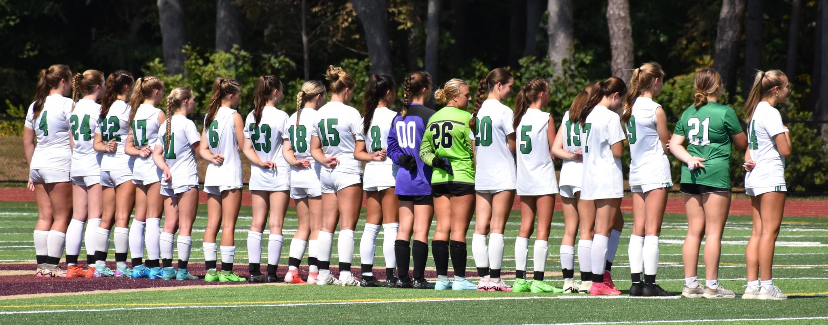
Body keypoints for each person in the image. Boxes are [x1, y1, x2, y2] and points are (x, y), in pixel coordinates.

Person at [670, 68, 747, 299]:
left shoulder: (687, 113)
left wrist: (690, 158)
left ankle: (691, 284)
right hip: (715, 175)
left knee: (694, 232)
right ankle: (712, 286)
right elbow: (742, 143)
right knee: (713, 233)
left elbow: (674, 145)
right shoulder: (725, 112)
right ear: (717, 87)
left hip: (690, 175)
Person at [420, 78, 477, 291]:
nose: (469, 98)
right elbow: (474, 152)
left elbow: (424, 151)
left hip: (439, 178)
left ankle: (442, 279)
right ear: (455, 97)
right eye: (466, 95)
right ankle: (460, 279)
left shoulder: (434, 118)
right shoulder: (468, 118)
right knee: (459, 230)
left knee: (442, 228)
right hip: (463, 176)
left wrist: (435, 161)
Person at [310, 66, 364, 286]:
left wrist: (324, 160)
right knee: (348, 225)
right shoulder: (351, 113)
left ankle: (323, 273)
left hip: (327, 172)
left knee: (326, 226)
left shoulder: (319, 113)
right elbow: (360, 147)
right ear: (347, 90)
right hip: (348, 170)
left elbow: (315, 149)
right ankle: (345, 274)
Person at [622, 63, 672, 296]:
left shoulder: (628, 107)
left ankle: (635, 283)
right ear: (655, 81)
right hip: (654, 169)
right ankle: (650, 283)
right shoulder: (655, 109)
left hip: (637, 170)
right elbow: (666, 144)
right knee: (653, 230)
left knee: (638, 228)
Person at [742, 70, 791, 300]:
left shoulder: (755, 111)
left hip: (755, 176)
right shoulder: (771, 113)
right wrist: (786, 132)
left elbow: (748, 150)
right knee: (769, 233)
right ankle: (767, 286)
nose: (789, 91)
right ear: (776, 89)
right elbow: (786, 149)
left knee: (757, 232)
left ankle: (752, 286)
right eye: (787, 87)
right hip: (770, 175)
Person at [575, 77, 627, 296]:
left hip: (590, 176)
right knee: (603, 230)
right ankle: (598, 281)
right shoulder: (609, 117)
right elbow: (617, 152)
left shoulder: (588, 114)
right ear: (615, 95)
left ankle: (602, 275)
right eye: (621, 100)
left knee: (615, 224)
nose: (622, 104)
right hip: (607, 176)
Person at [511, 78, 563, 293]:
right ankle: (538, 280)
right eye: (548, 91)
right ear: (542, 93)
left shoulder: (519, 118)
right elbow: (554, 150)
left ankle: (519, 279)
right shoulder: (545, 118)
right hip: (542, 177)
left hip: (524, 177)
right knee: (543, 229)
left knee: (525, 228)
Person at [387, 71, 436, 289]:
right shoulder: (428, 115)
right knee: (421, 230)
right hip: (423, 178)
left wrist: (401, 158)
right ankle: (418, 278)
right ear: (425, 89)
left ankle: (402, 278)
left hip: (404, 179)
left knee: (403, 229)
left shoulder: (400, 115)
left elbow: (391, 146)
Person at [25, 64, 74, 278]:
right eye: (70, 81)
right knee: (62, 216)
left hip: (38, 163)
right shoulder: (67, 104)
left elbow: (28, 141)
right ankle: (52, 266)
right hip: (59, 163)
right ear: (63, 81)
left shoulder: (36, 104)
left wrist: (31, 169)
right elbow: (73, 140)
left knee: (45, 216)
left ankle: (42, 266)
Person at [470, 68, 516, 292]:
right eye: (509, 87)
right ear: (499, 86)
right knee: (497, 228)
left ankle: (483, 278)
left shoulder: (477, 112)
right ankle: (496, 279)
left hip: (483, 175)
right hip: (502, 173)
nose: (510, 91)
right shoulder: (504, 111)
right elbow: (513, 146)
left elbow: (475, 150)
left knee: (480, 228)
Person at [243, 75, 291, 283]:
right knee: (276, 224)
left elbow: (246, 148)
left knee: (257, 223)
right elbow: (288, 147)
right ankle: (271, 273)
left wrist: (260, 162)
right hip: (279, 172)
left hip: (259, 173)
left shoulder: (251, 115)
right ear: (274, 92)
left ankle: (254, 272)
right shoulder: (282, 116)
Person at [354, 74, 399, 287]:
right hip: (390, 171)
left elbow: (358, 152)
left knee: (371, 225)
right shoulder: (395, 116)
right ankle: (390, 275)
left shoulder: (365, 117)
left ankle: (366, 274)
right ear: (388, 93)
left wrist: (372, 156)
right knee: (391, 226)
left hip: (371, 171)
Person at [152, 87, 200, 281]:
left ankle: (167, 269)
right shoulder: (187, 124)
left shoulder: (166, 125)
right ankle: (182, 270)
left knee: (169, 224)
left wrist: (165, 168)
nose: (195, 102)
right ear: (186, 102)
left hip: (169, 178)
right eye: (193, 99)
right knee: (186, 225)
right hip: (186, 177)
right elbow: (200, 149)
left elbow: (157, 154)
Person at [200, 77, 246, 282]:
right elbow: (244, 145)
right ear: (231, 95)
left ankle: (210, 271)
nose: (239, 99)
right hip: (229, 172)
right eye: (238, 95)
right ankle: (227, 271)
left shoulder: (210, 115)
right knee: (228, 225)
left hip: (213, 172)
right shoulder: (235, 116)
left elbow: (203, 149)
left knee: (212, 224)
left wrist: (212, 156)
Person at [92, 70, 136, 277]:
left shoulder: (105, 110)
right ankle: (121, 266)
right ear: (126, 87)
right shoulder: (128, 110)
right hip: (123, 167)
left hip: (106, 168)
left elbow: (97, 144)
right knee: (122, 218)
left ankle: (99, 264)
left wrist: (107, 148)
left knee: (106, 217)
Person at [282, 80, 327, 284]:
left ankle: (292, 271)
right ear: (318, 96)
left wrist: (295, 162)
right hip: (314, 175)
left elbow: (286, 150)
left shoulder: (293, 117)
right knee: (317, 227)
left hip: (297, 176)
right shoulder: (318, 117)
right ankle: (314, 273)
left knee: (303, 226)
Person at [550, 85, 592, 293]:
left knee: (569, 230)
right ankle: (586, 281)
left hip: (566, 175)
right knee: (587, 229)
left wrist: (571, 156)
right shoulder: (591, 115)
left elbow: (556, 149)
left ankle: (568, 281)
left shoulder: (568, 115)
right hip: (584, 175)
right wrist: (580, 155)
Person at [124, 76, 166, 278]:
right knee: (153, 218)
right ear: (156, 92)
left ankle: (138, 265)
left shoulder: (136, 112)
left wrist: (139, 152)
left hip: (139, 169)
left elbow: (128, 147)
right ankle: (153, 266)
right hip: (154, 169)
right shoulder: (158, 114)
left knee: (139, 218)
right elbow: (168, 142)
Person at [65, 70, 105, 278]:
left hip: (77, 164)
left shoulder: (74, 108)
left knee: (78, 218)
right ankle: (92, 265)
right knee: (95, 216)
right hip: (93, 165)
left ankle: (71, 266)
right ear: (97, 87)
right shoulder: (98, 110)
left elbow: (72, 142)